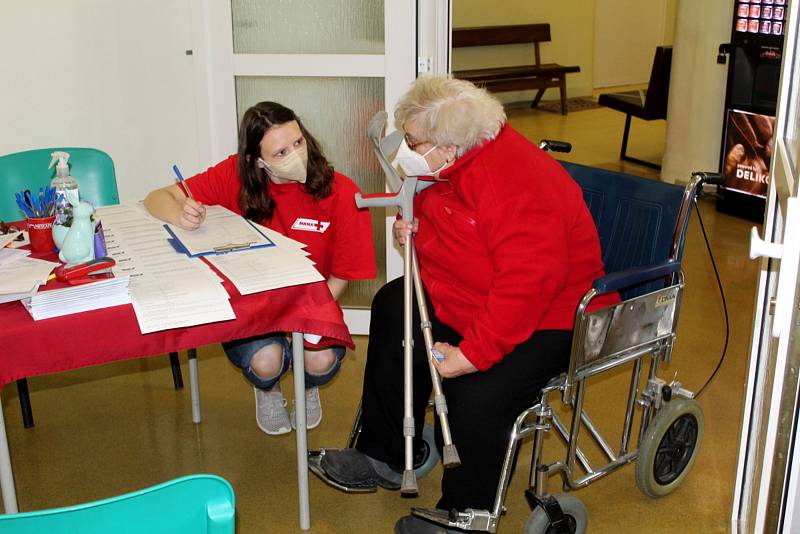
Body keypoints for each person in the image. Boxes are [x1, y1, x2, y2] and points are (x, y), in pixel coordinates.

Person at [315, 77, 618, 534]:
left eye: (413, 141)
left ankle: (466, 515)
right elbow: (433, 204)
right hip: (470, 292)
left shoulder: (516, 181)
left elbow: (526, 285)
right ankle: (388, 454)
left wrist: (472, 355)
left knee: (476, 391)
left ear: (449, 145)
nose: (407, 150)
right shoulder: (450, 163)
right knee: (393, 308)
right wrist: (408, 224)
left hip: (550, 316)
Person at [144, 101, 376, 436]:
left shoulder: (341, 191)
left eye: (298, 143)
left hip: (312, 302)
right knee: (266, 362)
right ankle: (268, 389)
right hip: (253, 304)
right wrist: (180, 214)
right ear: (258, 161)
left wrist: (302, 315)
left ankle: (306, 386)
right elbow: (157, 197)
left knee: (319, 361)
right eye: (281, 152)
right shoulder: (235, 176)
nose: (296, 155)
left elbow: (342, 274)